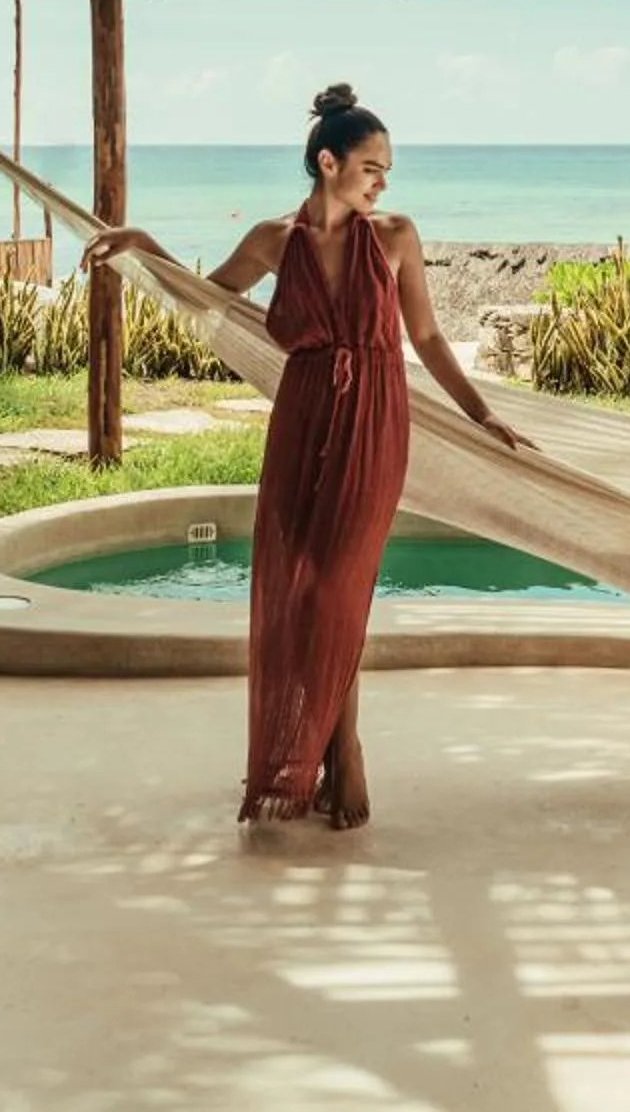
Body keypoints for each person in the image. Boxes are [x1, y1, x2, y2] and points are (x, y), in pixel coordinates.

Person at [82, 83, 528, 830]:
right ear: (328, 163)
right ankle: (321, 745)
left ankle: (341, 746)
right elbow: (206, 296)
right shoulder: (270, 239)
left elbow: (426, 338)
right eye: (371, 167)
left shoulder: (394, 237)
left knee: (337, 589)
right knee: (297, 586)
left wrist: (482, 412)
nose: (383, 182)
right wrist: (143, 244)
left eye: (386, 170)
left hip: (375, 421)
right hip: (304, 415)